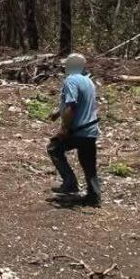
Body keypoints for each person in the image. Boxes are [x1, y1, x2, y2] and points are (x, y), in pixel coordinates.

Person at [47, 53, 101, 206]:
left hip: (78, 129)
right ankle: (94, 197)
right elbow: (79, 102)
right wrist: (58, 112)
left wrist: (64, 128)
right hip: (91, 129)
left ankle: (70, 183)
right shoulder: (88, 81)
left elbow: (72, 105)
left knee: (54, 148)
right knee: (88, 163)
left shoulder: (70, 80)